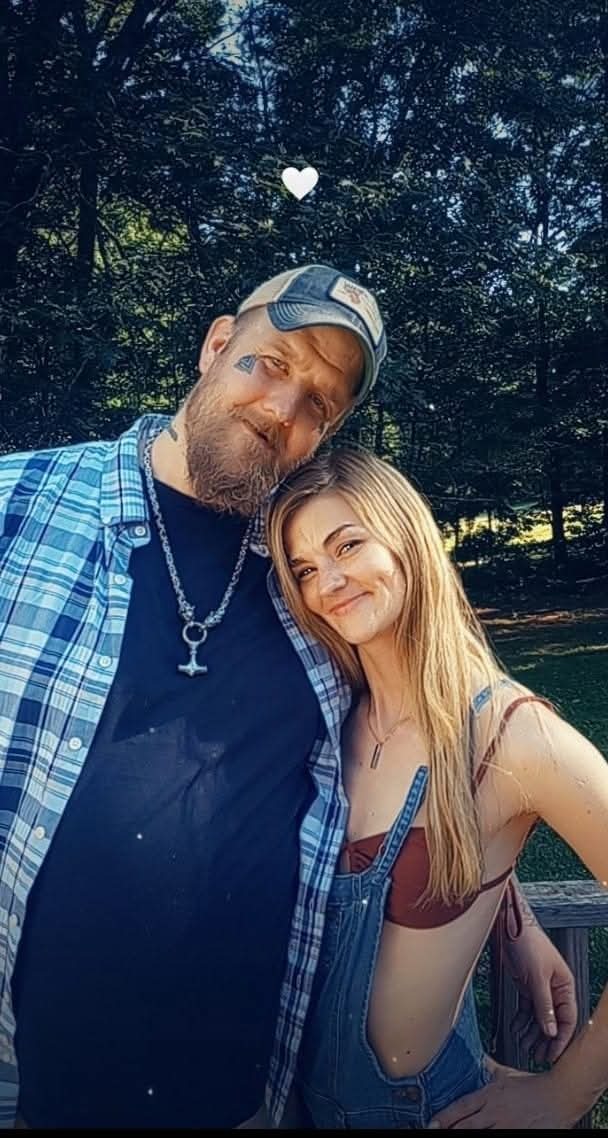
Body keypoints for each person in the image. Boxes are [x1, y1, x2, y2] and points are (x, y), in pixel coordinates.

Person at [0, 264, 575, 1131]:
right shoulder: (20, 506)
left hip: (255, 1097)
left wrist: (510, 919)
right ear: (216, 343)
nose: (281, 409)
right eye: (271, 364)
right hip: (34, 1080)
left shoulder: (308, 570)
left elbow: (426, 732)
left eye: (319, 404)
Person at [267, 445, 608, 1131]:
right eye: (303, 569)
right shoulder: (328, 718)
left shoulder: (514, 737)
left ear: (406, 538)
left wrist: (565, 1095)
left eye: (347, 545)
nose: (328, 581)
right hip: (289, 1103)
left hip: (421, 1114)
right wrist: (515, 922)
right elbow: (447, 842)